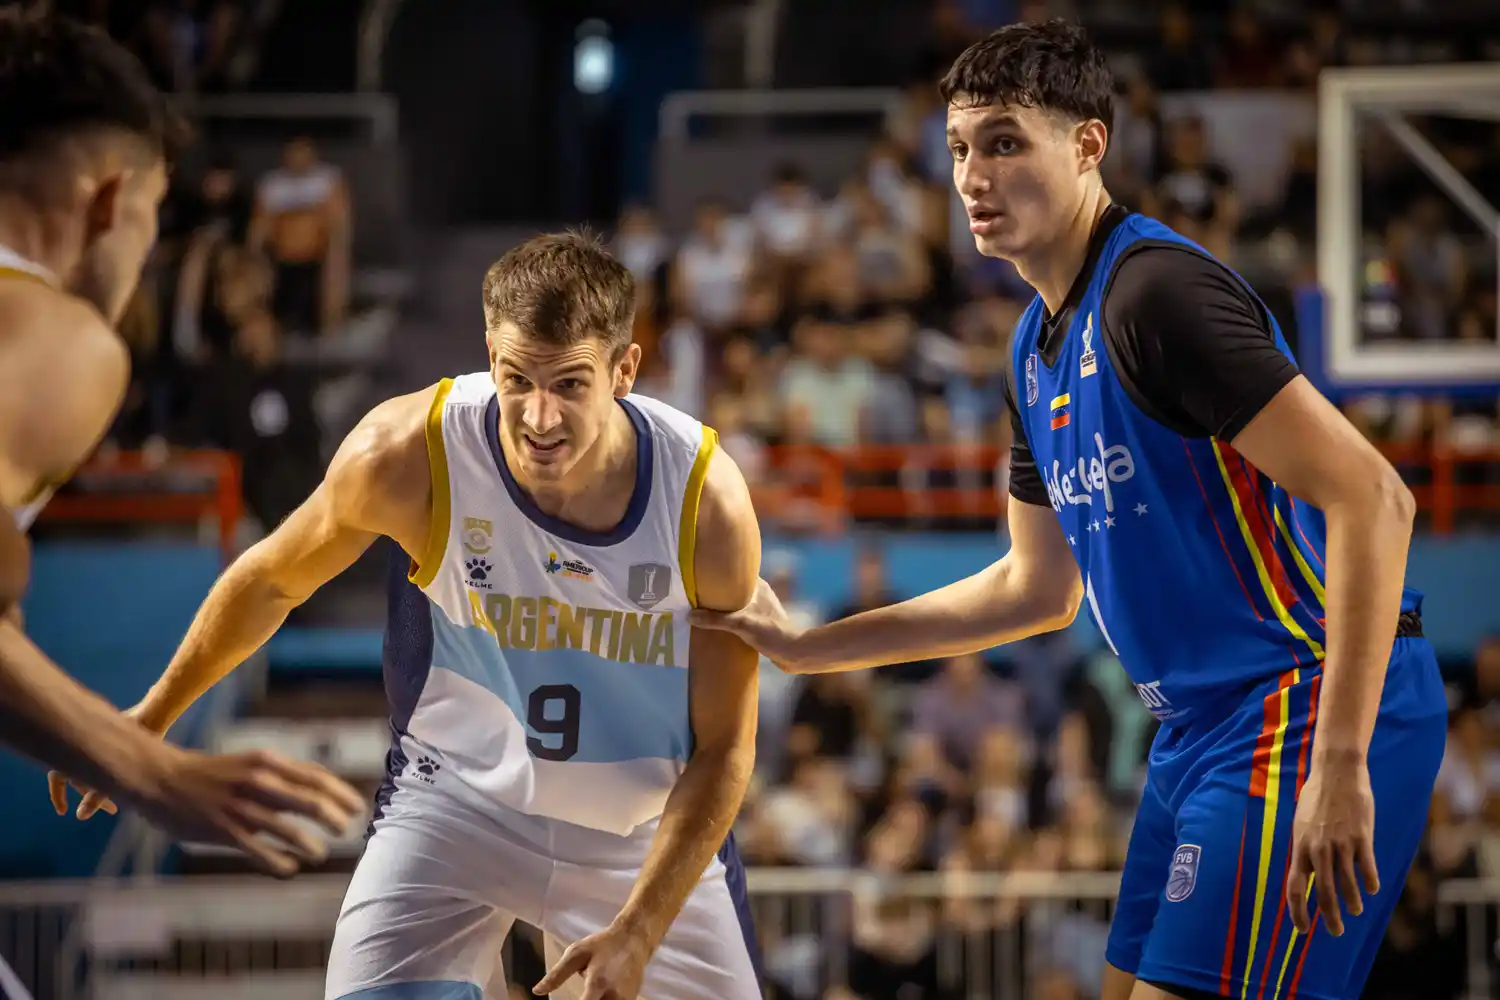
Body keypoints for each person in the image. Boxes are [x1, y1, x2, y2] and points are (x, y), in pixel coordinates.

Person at [693, 20, 1449, 1000]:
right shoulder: (1030, 349)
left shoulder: (1155, 295)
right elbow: (1034, 588)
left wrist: (1342, 759)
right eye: (961, 147)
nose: (972, 174)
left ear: (1089, 144)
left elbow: (1377, 498)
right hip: (1200, 729)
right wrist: (806, 646)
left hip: (1305, 702)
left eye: (1005, 142)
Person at [69, 232, 764, 1000]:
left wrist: (639, 930)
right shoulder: (409, 451)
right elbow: (272, 580)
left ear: (624, 370)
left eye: (569, 383)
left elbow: (727, 747)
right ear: (489, 353)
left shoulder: (704, 501)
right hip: (457, 807)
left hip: (640, 830)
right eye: (517, 378)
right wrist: (153, 715)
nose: (539, 416)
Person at [0, 7, 362, 879]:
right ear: (112, 200)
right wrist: (156, 772)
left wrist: (85, 738)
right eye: (156, 215)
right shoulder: (59, 340)